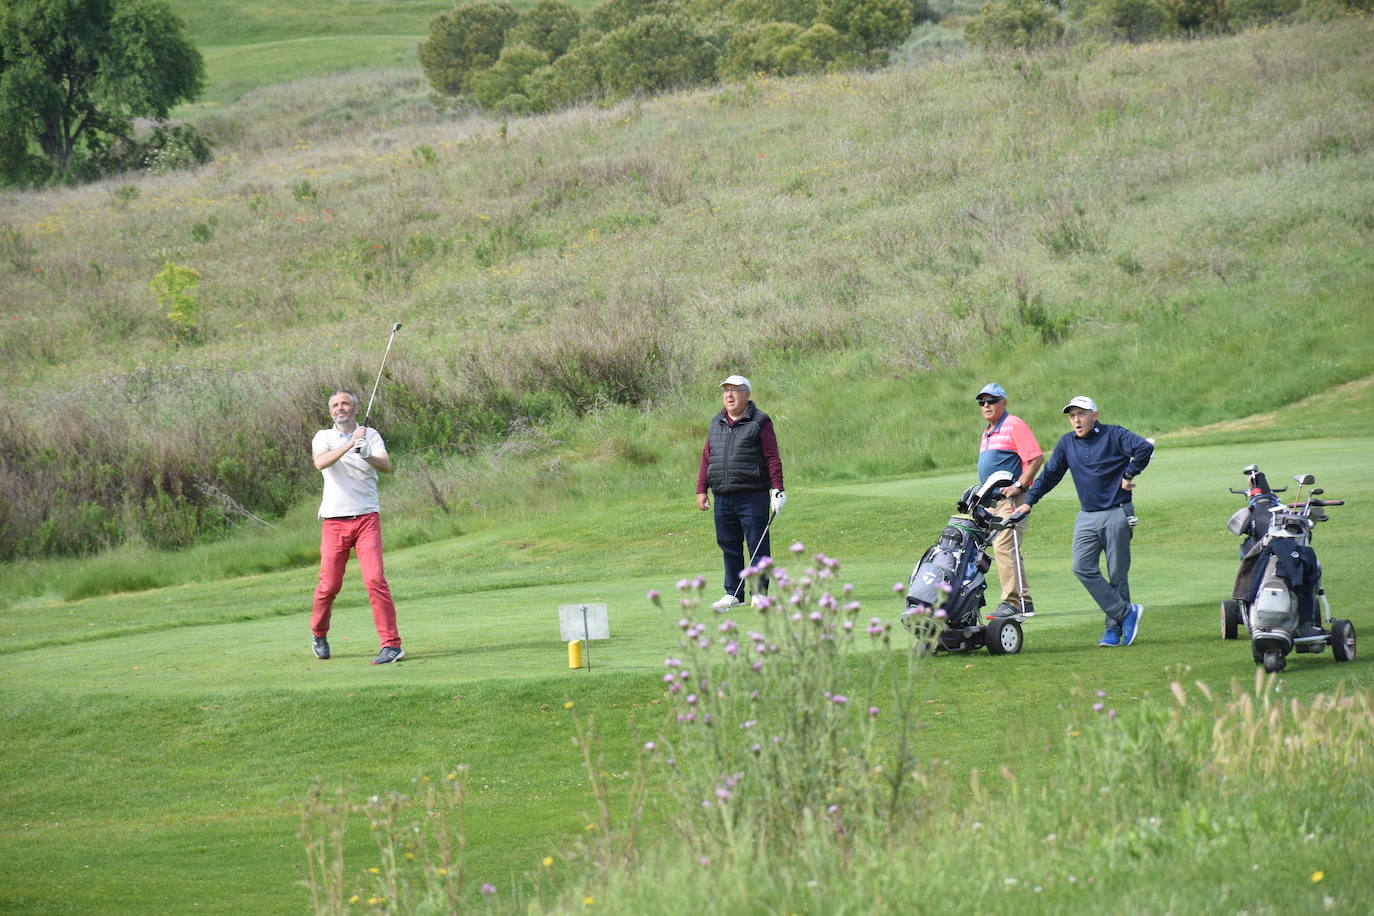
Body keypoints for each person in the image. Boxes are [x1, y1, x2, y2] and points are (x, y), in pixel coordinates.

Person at [1013, 396, 1154, 647]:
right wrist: (1029, 501)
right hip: (1087, 515)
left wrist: (1129, 474)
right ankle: (1125, 613)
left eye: (1081, 414)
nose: (1076, 420)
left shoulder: (1114, 435)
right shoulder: (1067, 443)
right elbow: (1049, 476)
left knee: (1117, 575)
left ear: (1094, 414)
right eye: (1072, 415)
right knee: (1081, 566)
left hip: (1117, 511)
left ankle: (1112, 629)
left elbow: (1144, 448)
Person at [309, 389, 404, 664]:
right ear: (331, 412)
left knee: (375, 580)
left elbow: (386, 466)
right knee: (329, 586)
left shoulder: (370, 435)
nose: (341, 408)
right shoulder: (323, 437)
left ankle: (391, 645)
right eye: (336, 405)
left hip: (366, 518)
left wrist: (366, 455)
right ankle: (319, 633)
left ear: (354, 408)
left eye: (346, 404)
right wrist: (350, 444)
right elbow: (320, 462)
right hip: (334, 521)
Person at [696, 375, 786, 611]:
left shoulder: (760, 421)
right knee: (729, 545)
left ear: (747, 394)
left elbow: (772, 458)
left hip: (752, 494)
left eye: (735, 390)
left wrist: (777, 489)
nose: (729, 395)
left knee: (757, 544)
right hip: (723, 496)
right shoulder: (716, 423)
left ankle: (759, 593)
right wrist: (701, 490)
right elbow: (707, 458)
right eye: (726, 391)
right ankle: (734, 593)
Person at [974, 383, 1043, 619]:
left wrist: (1019, 486)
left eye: (991, 401)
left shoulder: (1013, 424)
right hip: (993, 501)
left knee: (1003, 546)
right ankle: (1024, 602)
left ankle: (1012, 603)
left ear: (1003, 402)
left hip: (1011, 499)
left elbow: (1035, 458)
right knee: (1008, 548)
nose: (986, 405)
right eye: (982, 402)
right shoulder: (988, 431)